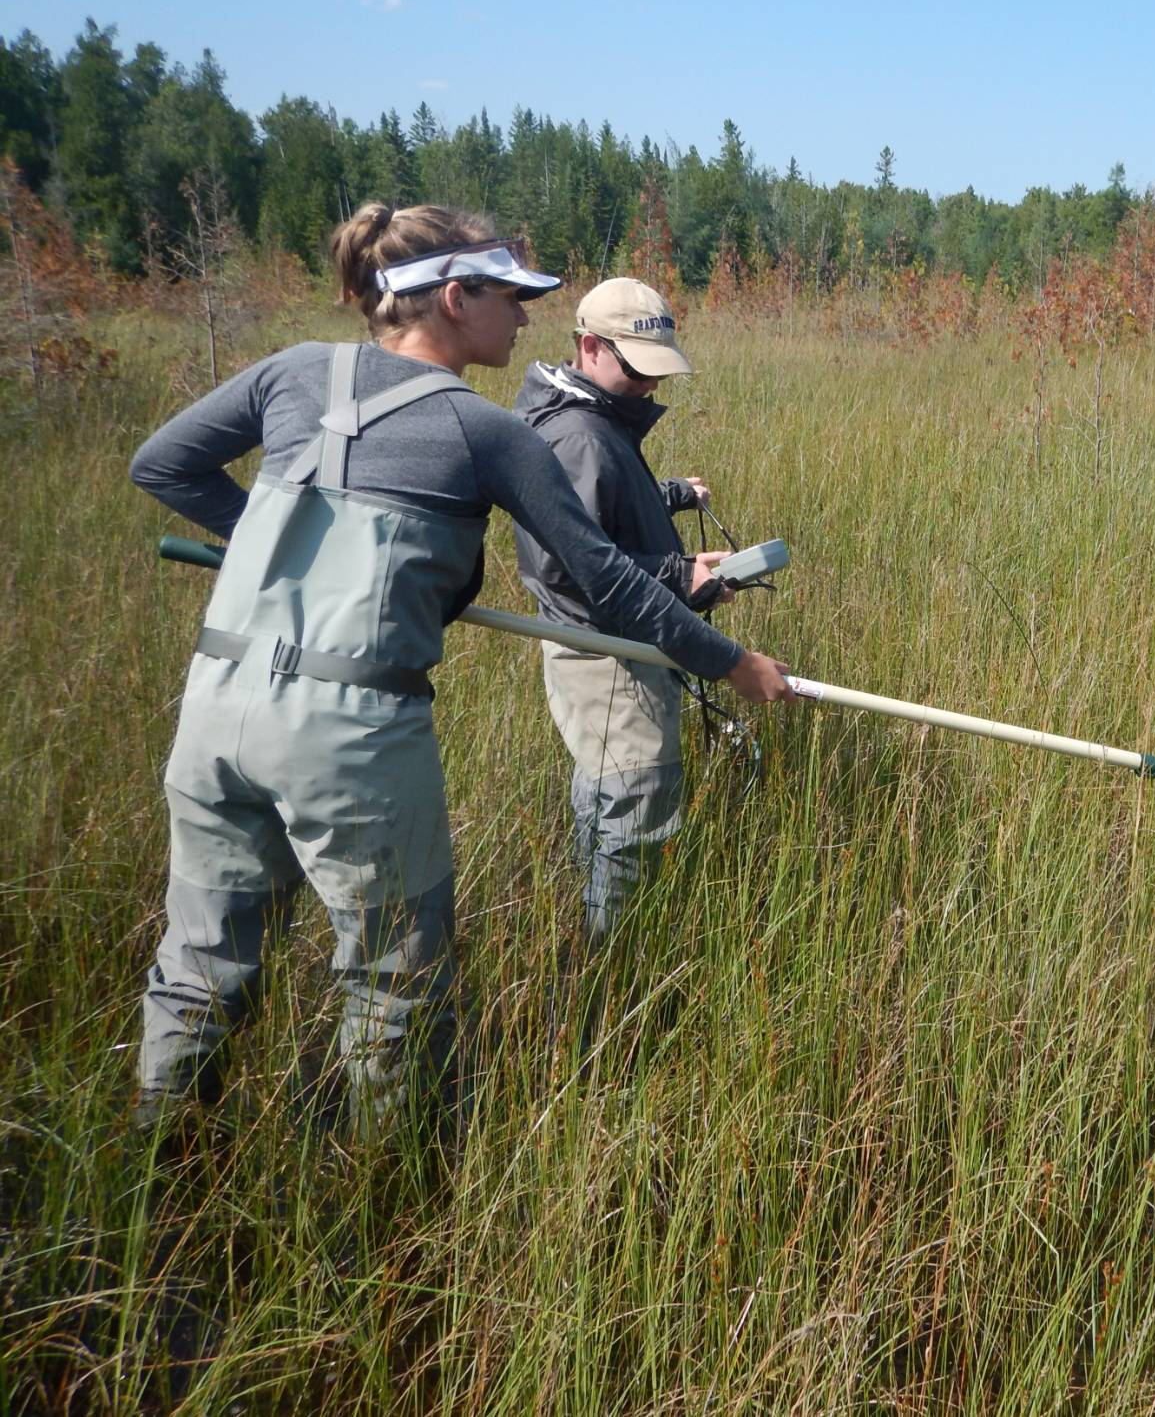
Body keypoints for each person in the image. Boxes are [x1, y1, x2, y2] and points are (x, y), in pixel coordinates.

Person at [127, 205, 794, 1133]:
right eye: (511, 298)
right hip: (349, 736)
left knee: (200, 967)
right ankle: (394, 1201)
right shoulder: (487, 431)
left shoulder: (291, 372)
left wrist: (283, 548)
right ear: (453, 296)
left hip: (214, 708)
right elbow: (603, 578)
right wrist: (733, 664)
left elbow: (162, 466)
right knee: (396, 980)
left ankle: (152, 1178)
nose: (523, 320)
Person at [511, 278, 730, 947]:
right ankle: (618, 975)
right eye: (638, 369)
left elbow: (599, 513)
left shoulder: (595, 421)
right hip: (609, 658)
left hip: (622, 647)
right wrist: (679, 575)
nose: (648, 386)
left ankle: (608, 958)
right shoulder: (578, 435)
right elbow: (570, 567)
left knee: (610, 805)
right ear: (588, 346)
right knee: (633, 822)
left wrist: (671, 495)